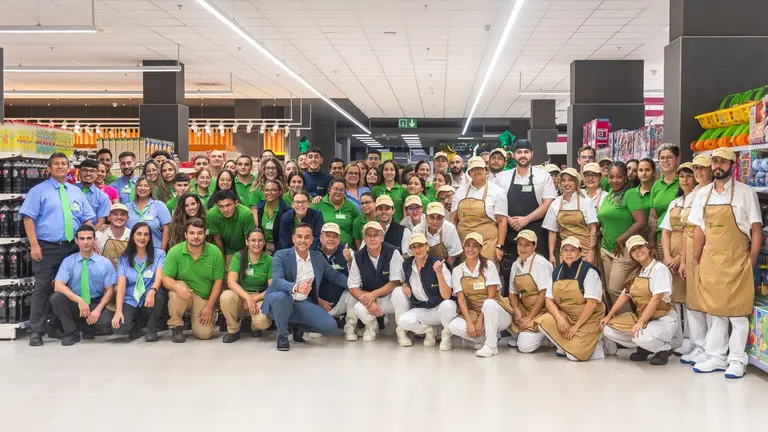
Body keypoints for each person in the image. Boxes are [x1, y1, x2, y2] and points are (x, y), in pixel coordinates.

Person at [688, 147, 761, 379]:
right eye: (715, 161)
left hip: (738, 260)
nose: (718, 166)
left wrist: (751, 260)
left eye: (723, 162)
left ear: (733, 165)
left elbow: (756, 230)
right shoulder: (703, 194)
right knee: (716, 312)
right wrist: (696, 259)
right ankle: (716, 357)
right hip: (711, 260)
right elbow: (699, 228)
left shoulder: (745, 193)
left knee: (738, 314)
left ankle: (737, 359)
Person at [21, 152, 96, 346]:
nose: (61, 166)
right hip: (47, 247)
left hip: (72, 247)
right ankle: (36, 330)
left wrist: (86, 239)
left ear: (69, 167)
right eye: (56, 164)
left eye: (64, 163)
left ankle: (56, 325)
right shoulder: (38, 191)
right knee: (42, 287)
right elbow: (28, 218)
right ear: (49, 169)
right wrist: (34, 244)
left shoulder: (75, 192)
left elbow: (87, 217)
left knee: (68, 288)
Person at [262, 223, 349, 351]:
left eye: (307, 237)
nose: (303, 240)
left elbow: (336, 277)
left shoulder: (317, 258)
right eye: (299, 236)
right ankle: (282, 335)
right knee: (282, 297)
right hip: (280, 300)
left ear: (312, 240)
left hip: (302, 302)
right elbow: (277, 281)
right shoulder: (281, 255)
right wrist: (296, 287)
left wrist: (359, 288)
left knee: (330, 326)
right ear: (293, 238)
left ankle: (298, 326)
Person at [602, 235, 679, 365]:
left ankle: (664, 349)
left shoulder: (659, 269)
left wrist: (640, 322)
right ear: (631, 255)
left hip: (663, 319)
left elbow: (656, 298)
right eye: (633, 250)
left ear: (648, 248)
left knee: (640, 336)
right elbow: (625, 295)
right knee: (606, 328)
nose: (638, 251)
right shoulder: (636, 272)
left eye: (640, 247)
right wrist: (608, 316)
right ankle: (646, 347)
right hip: (644, 319)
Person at [535, 237, 610, 361]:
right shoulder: (556, 272)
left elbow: (591, 304)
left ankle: (599, 344)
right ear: (561, 253)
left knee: (575, 356)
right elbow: (548, 300)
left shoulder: (589, 271)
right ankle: (570, 345)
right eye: (565, 250)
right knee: (543, 321)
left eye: (572, 250)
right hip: (567, 316)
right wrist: (560, 319)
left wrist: (576, 327)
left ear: (580, 253)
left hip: (589, 318)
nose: (568, 253)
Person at [50, 225, 116, 346]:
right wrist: (79, 300)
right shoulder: (68, 261)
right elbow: (58, 285)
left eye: (89, 238)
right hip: (76, 302)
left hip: (95, 303)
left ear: (94, 240)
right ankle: (72, 332)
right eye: (82, 238)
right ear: (76, 241)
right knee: (56, 298)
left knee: (106, 324)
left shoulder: (105, 263)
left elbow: (109, 291)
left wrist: (98, 310)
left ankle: (86, 326)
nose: (85, 242)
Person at [162, 218, 225, 343]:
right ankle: (176, 326)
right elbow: (165, 278)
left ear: (205, 234)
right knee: (175, 291)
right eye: (192, 233)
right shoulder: (175, 251)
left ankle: (199, 317)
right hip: (184, 292)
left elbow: (218, 283)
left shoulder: (215, 252)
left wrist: (209, 307)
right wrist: (178, 288)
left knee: (204, 334)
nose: (196, 236)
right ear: (185, 234)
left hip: (203, 297)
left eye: (199, 233)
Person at [446, 232, 508, 357]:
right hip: (474, 313)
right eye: (467, 245)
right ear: (463, 248)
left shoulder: (489, 266)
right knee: (453, 326)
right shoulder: (458, 271)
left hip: (498, 313)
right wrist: (469, 321)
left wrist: (480, 321)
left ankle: (491, 346)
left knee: (489, 304)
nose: (470, 249)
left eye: (475, 246)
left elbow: (492, 296)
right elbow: (461, 299)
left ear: (481, 249)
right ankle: (484, 339)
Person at [392, 233, 456, 349]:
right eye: (414, 247)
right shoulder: (407, 264)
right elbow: (403, 278)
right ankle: (429, 331)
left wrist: (439, 273)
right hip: (422, 308)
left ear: (427, 247)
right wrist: (404, 283)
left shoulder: (438, 263)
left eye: (420, 245)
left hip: (439, 308)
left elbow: (447, 295)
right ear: (410, 250)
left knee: (449, 305)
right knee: (403, 321)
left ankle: (446, 337)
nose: (417, 249)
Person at [679, 154, 714, 364]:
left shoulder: (713, 193)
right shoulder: (693, 194)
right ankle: (697, 344)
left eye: (703, 168)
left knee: (707, 302)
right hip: (691, 252)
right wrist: (684, 259)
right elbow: (686, 230)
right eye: (696, 169)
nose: (699, 172)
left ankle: (710, 348)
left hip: (707, 251)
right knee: (692, 301)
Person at [596, 162, 646, 309]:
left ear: (626, 178)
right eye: (611, 177)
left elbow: (641, 221)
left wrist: (621, 238)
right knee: (608, 291)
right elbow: (603, 219)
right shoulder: (609, 196)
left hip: (623, 250)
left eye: (618, 177)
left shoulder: (630, 195)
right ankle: (616, 324)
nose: (614, 180)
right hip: (606, 249)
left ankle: (627, 323)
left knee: (615, 289)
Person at [503, 140, 557, 268]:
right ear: (514, 155)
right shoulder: (503, 177)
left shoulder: (543, 176)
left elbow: (547, 203)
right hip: (511, 236)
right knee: (511, 275)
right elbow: (496, 205)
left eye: (526, 152)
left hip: (536, 233)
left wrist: (526, 219)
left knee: (537, 276)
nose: (523, 155)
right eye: (519, 152)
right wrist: (510, 220)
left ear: (532, 154)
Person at [660, 162, 696, 355]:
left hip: (689, 255)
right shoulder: (674, 203)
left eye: (689, 175)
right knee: (674, 298)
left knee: (689, 298)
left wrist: (681, 257)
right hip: (671, 257)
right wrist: (667, 255)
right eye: (681, 176)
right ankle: (677, 337)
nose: (685, 179)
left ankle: (691, 339)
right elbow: (665, 231)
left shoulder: (698, 199)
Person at [349, 221, 405, 342]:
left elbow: (395, 282)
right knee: (359, 308)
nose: (372, 238)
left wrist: (372, 295)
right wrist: (369, 301)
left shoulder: (393, 252)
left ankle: (402, 331)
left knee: (399, 292)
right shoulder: (358, 257)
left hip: (391, 298)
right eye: (369, 235)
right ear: (364, 238)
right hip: (372, 299)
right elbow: (353, 287)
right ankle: (372, 328)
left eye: (376, 235)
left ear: (382, 237)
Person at [111, 223, 167, 342]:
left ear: (150, 238)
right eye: (139, 234)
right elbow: (121, 286)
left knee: (160, 296)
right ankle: (139, 325)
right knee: (119, 328)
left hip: (149, 298)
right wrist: (118, 311)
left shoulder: (159, 254)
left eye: (146, 234)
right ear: (132, 236)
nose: (142, 237)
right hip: (131, 299)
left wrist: (152, 291)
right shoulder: (124, 259)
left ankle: (151, 329)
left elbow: (158, 279)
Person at [451, 156, 508, 263]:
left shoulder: (497, 192)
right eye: (473, 169)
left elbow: (502, 221)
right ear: (469, 173)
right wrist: (453, 244)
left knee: (487, 277)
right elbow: (453, 220)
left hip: (487, 245)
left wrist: (500, 246)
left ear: (486, 170)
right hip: (464, 245)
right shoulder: (460, 192)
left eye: (479, 168)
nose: (476, 171)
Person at [220, 228, 273, 342]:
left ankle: (254, 326)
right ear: (247, 242)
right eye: (253, 240)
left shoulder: (269, 260)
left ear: (264, 242)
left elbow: (272, 288)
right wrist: (247, 297)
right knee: (226, 296)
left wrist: (254, 299)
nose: (257, 243)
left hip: (259, 297)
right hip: (239, 295)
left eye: (260, 240)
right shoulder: (239, 256)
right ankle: (233, 330)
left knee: (262, 322)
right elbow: (231, 282)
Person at [505, 230, 553, 353]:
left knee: (524, 347)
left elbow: (544, 294)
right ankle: (521, 333)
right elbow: (512, 293)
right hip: (524, 307)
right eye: (520, 244)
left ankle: (546, 336)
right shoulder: (516, 265)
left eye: (527, 245)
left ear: (534, 246)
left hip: (541, 311)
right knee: (501, 304)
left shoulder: (542, 264)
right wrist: (517, 312)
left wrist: (530, 317)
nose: (522, 248)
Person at [542, 168, 598, 265]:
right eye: (563, 180)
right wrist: (551, 254)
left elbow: (593, 229)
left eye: (570, 180)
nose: (566, 183)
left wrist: (591, 252)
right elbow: (552, 231)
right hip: (565, 252)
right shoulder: (556, 203)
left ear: (576, 182)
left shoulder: (586, 201)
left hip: (584, 251)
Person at [313, 223, 357, 340]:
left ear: (339, 239)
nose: (331, 239)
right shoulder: (311, 252)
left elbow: (356, 278)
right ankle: (316, 325)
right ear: (321, 237)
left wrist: (350, 261)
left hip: (340, 300)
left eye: (335, 236)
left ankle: (350, 328)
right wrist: (318, 300)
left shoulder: (347, 251)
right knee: (315, 335)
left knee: (353, 293)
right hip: (318, 302)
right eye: (328, 236)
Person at [207, 190, 256, 266]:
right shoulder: (212, 214)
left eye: (228, 205)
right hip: (227, 247)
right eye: (221, 206)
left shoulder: (246, 214)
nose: (225, 210)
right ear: (217, 205)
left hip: (244, 246)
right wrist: (223, 263)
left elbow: (249, 239)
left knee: (245, 270)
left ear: (236, 203)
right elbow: (218, 240)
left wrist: (247, 260)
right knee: (228, 270)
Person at [649, 145, 681, 254]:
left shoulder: (684, 181)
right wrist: (652, 244)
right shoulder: (656, 185)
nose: (665, 161)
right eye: (662, 158)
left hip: (680, 239)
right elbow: (653, 217)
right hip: (660, 239)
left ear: (677, 159)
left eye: (669, 157)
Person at [311, 178, 361, 247]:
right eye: (335, 189)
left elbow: (358, 228)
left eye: (342, 190)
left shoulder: (351, 207)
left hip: (345, 248)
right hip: (321, 248)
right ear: (329, 190)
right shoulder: (318, 204)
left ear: (345, 192)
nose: (338, 192)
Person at [126, 177, 171, 251]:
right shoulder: (127, 207)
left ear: (151, 189)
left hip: (155, 251)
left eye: (146, 186)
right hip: (133, 252)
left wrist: (162, 251)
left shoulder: (159, 205)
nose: (142, 188)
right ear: (136, 188)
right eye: (140, 185)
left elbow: (166, 229)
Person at [253, 179, 290, 254]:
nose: (269, 193)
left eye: (273, 190)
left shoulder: (286, 210)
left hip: (280, 249)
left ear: (280, 192)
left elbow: (286, 237)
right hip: (262, 247)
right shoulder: (259, 207)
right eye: (266, 190)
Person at [75, 158, 111, 228]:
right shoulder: (70, 191)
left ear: (96, 174)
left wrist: (90, 234)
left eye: (92, 171)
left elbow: (101, 221)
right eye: (85, 170)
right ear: (79, 172)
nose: (88, 174)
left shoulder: (102, 197)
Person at [626, 158, 655, 237]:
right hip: (631, 237)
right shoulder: (629, 193)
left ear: (653, 172)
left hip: (652, 236)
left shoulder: (657, 192)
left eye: (647, 170)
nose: (644, 173)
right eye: (641, 170)